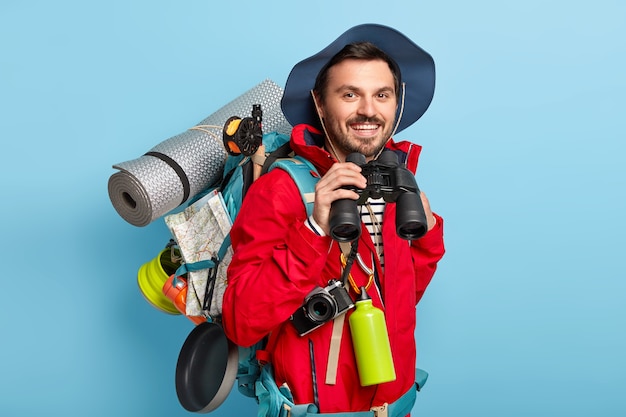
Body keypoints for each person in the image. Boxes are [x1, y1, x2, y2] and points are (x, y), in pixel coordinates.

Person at [222, 24, 445, 416]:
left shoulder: (398, 185)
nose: (368, 110)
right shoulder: (281, 190)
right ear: (320, 104)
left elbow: (403, 297)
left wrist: (426, 239)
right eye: (349, 95)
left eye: (382, 95)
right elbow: (242, 322)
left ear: (398, 103)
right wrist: (314, 231)